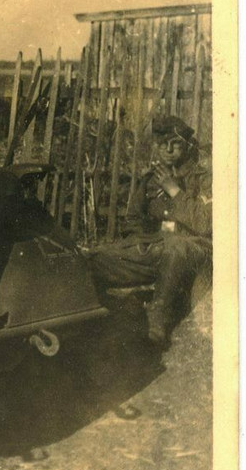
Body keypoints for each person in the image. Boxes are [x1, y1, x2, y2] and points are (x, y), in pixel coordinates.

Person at [87, 114, 212, 348]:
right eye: (162, 144)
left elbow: (206, 224)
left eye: (174, 144)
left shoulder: (203, 179)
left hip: (193, 251)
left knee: (176, 245)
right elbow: (134, 219)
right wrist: (140, 243)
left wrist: (175, 191)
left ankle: (158, 320)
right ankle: (111, 315)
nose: (168, 150)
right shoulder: (151, 181)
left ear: (185, 145)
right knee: (96, 259)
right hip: (158, 250)